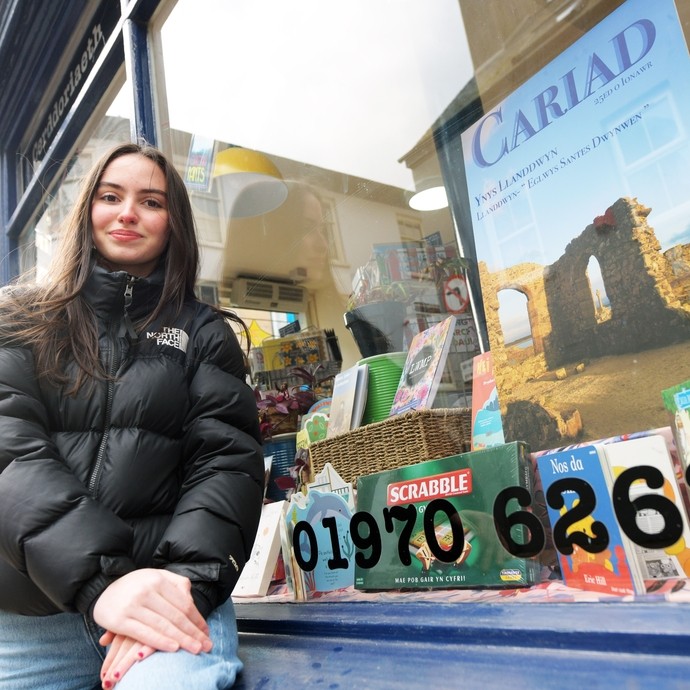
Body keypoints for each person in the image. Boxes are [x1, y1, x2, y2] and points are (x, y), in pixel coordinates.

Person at [0, 142, 264, 689]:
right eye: (110, 196)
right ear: (86, 210)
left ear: (174, 224)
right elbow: (9, 454)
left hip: (168, 606)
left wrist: (181, 589)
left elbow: (226, 466)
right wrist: (103, 584)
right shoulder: (18, 319)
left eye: (151, 202)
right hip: (32, 622)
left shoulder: (204, 333)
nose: (127, 213)